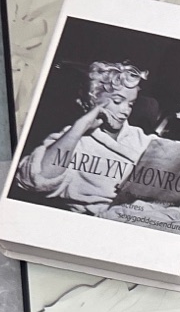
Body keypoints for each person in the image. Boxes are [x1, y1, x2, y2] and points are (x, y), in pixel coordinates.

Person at [17, 60, 153, 212]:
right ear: (93, 99)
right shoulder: (72, 140)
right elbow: (33, 180)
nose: (125, 111)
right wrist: (81, 126)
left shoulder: (140, 137)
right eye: (117, 101)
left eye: (131, 104)